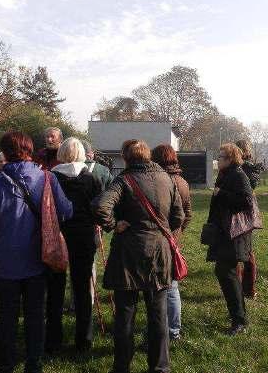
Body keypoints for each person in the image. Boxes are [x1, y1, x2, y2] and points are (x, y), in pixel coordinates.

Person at [0, 132, 73, 373]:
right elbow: (66, 211)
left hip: (5, 259)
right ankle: (33, 364)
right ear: (30, 149)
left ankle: (6, 364)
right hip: (39, 256)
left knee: (7, 315)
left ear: (4, 153)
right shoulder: (47, 178)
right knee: (35, 314)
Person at [94, 139, 184, 373]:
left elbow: (101, 207)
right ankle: (160, 367)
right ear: (148, 156)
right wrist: (163, 232)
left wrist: (114, 224)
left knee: (125, 314)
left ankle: (122, 367)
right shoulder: (167, 178)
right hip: (159, 252)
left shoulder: (123, 180)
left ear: (125, 158)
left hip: (129, 254)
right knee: (158, 314)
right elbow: (179, 217)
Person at [49, 137, 105, 353]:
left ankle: (53, 339)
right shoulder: (91, 179)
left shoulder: (51, 177)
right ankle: (84, 340)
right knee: (82, 289)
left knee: (55, 288)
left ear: (61, 153)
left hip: (58, 236)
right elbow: (99, 207)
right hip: (83, 236)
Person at [205, 143, 253, 336]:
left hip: (234, 235)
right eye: (219, 156)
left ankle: (239, 319)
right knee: (225, 272)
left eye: (222, 156)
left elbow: (246, 201)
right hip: (224, 233)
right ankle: (238, 314)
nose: (219, 159)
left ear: (231, 158)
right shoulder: (226, 174)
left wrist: (221, 194)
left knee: (227, 273)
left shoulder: (238, 175)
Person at [151, 144, 192, 341]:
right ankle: (173, 329)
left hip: (160, 239)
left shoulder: (160, 180)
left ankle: (166, 329)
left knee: (162, 288)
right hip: (173, 239)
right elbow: (187, 215)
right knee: (172, 286)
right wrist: (177, 235)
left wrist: (170, 235)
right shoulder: (183, 181)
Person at [234, 139, 260, 299]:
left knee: (242, 251)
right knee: (246, 250)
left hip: (242, 211)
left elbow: (246, 191)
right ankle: (246, 288)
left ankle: (246, 288)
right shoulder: (248, 167)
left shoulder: (245, 169)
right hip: (247, 210)